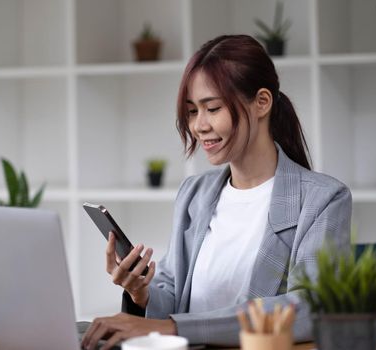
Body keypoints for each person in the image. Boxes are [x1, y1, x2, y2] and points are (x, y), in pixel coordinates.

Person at [81, 34, 352, 350]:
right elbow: (173, 294)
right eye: (193, 111)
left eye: (212, 108)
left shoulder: (323, 199)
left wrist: (172, 327)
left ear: (262, 102)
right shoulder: (195, 193)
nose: (198, 126)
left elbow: (311, 307)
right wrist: (142, 293)